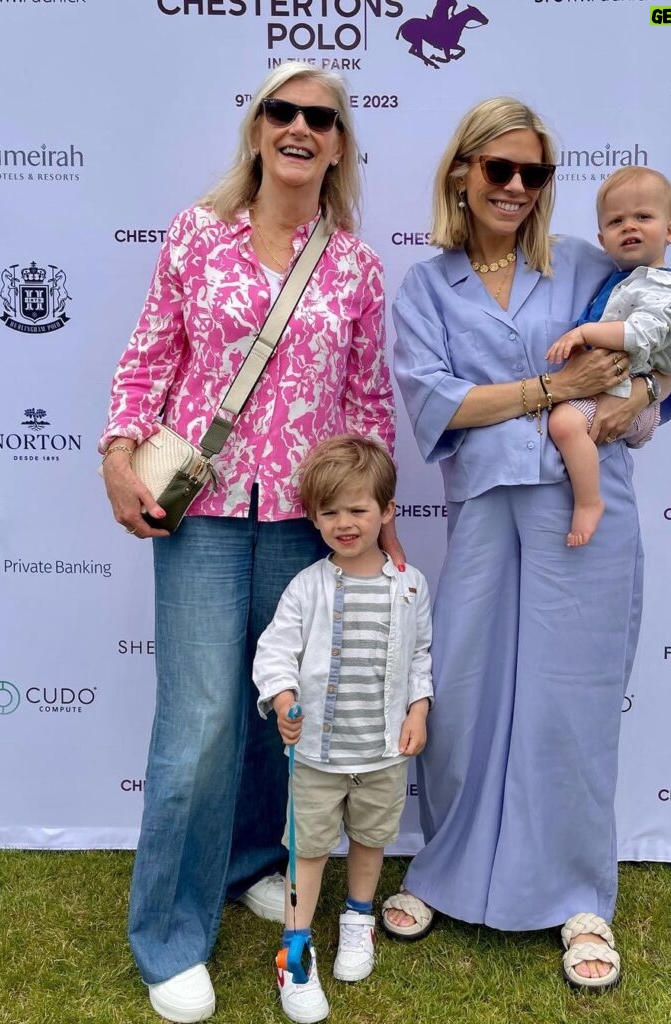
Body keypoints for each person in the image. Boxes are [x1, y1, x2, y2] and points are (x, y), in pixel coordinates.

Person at [99, 63, 403, 1023]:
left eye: (322, 117)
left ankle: (247, 865)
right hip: (200, 507)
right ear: (258, 127)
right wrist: (117, 452)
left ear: (340, 143)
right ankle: (170, 934)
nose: (301, 127)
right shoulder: (198, 234)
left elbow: (366, 404)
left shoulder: (352, 264)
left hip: (305, 523)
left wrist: (375, 519)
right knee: (197, 725)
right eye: (285, 111)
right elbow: (151, 350)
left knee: (286, 711)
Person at [381, 97, 671, 990]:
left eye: (534, 173)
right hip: (483, 506)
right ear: (462, 176)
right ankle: (444, 870)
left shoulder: (593, 265)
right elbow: (437, 403)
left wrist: (634, 403)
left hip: (584, 508)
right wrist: (552, 390)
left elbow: (659, 363)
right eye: (498, 170)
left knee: (570, 702)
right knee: (464, 696)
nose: (515, 187)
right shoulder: (427, 286)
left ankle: (578, 894)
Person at [252, 435, 432, 1023]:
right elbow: (275, 652)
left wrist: (418, 709)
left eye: (358, 509)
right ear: (313, 518)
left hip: (382, 753)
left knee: (371, 841)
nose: (344, 523)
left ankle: (358, 920)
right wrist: (282, 698)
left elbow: (421, 655)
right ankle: (295, 951)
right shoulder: (308, 586)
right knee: (306, 852)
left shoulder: (411, 585)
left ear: (387, 511)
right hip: (316, 759)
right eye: (329, 512)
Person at [545, 166, 671, 545]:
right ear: (602, 239)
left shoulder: (664, 287)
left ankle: (589, 502)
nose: (629, 226)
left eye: (643, 217)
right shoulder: (624, 279)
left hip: (632, 400)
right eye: (616, 221)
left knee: (564, 424)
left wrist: (584, 333)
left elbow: (640, 334)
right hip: (613, 392)